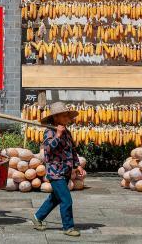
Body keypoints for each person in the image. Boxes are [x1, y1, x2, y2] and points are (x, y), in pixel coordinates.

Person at [31, 101, 83, 237]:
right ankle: (68, 227)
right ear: (56, 117)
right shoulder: (49, 131)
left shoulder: (67, 132)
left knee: (55, 198)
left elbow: (73, 150)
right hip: (56, 173)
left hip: (65, 171)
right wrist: (57, 136)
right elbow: (47, 149)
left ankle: (37, 218)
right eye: (64, 116)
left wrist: (77, 166)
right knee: (66, 200)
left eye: (67, 116)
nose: (67, 118)